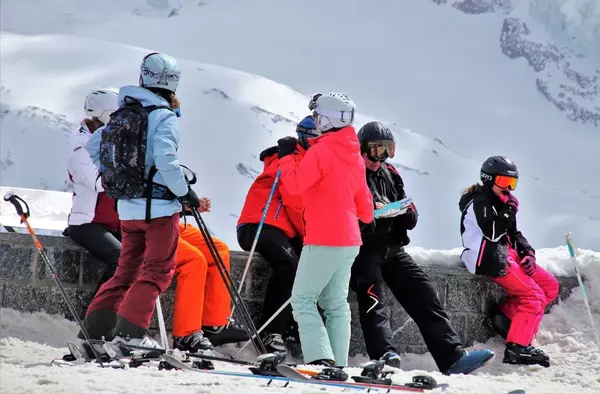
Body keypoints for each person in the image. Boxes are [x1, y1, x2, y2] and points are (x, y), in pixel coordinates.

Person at [351, 121, 495, 375]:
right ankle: (385, 356)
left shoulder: (391, 174)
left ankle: (452, 358)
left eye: (387, 150)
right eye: (375, 150)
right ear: (361, 149)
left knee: (425, 295)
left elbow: (410, 210)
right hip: (365, 249)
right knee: (373, 301)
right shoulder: (351, 173)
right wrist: (373, 214)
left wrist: (402, 213)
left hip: (394, 249)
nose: (380, 157)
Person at [81, 52, 199, 348]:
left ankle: (95, 334)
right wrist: (185, 193)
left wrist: (116, 176)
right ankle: (130, 337)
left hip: (128, 210)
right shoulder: (163, 117)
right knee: (157, 272)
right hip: (158, 211)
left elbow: (94, 146)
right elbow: (167, 162)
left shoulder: (123, 114)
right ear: (173, 86)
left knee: (125, 272)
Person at [276, 92, 375, 368]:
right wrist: (366, 218)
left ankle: (320, 360)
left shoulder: (320, 151)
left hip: (323, 238)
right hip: (349, 240)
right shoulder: (353, 154)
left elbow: (295, 186)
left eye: (318, 114)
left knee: (303, 300)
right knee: (336, 304)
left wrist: (286, 157)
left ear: (328, 118)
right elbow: (364, 201)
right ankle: (338, 364)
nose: (316, 119)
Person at [459, 156, 558, 368]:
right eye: (504, 182)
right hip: (489, 257)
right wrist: (510, 210)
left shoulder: (501, 202)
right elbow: (492, 232)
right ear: (488, 179)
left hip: (507, 253)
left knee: (550, 286)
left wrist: (528, 252)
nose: (509, 189)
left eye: (512, 184)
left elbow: (514, 232)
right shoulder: (480, 201)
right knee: (533, 296)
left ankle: (504, 318)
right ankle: (518, 348)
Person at [236, 115, 317, 354]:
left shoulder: (300, 159)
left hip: (278, 228)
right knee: (291, 267)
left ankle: (292, 328)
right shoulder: (289, 160)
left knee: (309, 267)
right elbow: (294, 202)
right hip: (261, 225)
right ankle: (270, 332)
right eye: (316, 139)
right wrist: (309, 236)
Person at [65, 88, 121, 297]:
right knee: (122, 260)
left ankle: (118, 318)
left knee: (142, 259)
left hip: (114, 223)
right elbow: (99, 183)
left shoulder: (109, 142)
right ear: (105, 115)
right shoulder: (81, 149)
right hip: (87, 223)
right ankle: (97, 315)